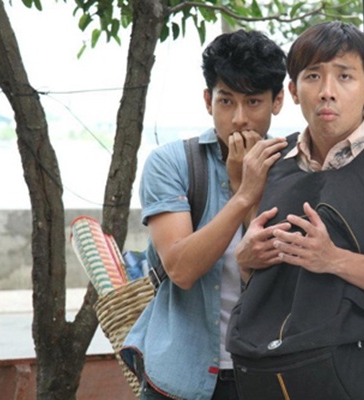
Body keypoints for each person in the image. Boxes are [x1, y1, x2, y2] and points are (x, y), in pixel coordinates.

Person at [227, 21, 364, 400]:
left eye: (344, 76)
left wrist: (333, 260)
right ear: (294, 91)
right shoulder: (274, 159)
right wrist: (245, 260)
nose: (327, 91)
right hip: (279, 376)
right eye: (313, 76)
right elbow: (264, 277)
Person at [120, 30, 288, 400]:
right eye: (226, 101)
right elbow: (181, 269)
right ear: (208, 100)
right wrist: (243, 194)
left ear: (277, 101)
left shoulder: (293, 166)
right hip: (181, 375)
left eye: (253, 102)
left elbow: (284, 276)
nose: (239, 118)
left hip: (268, 372)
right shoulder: (173, 164)